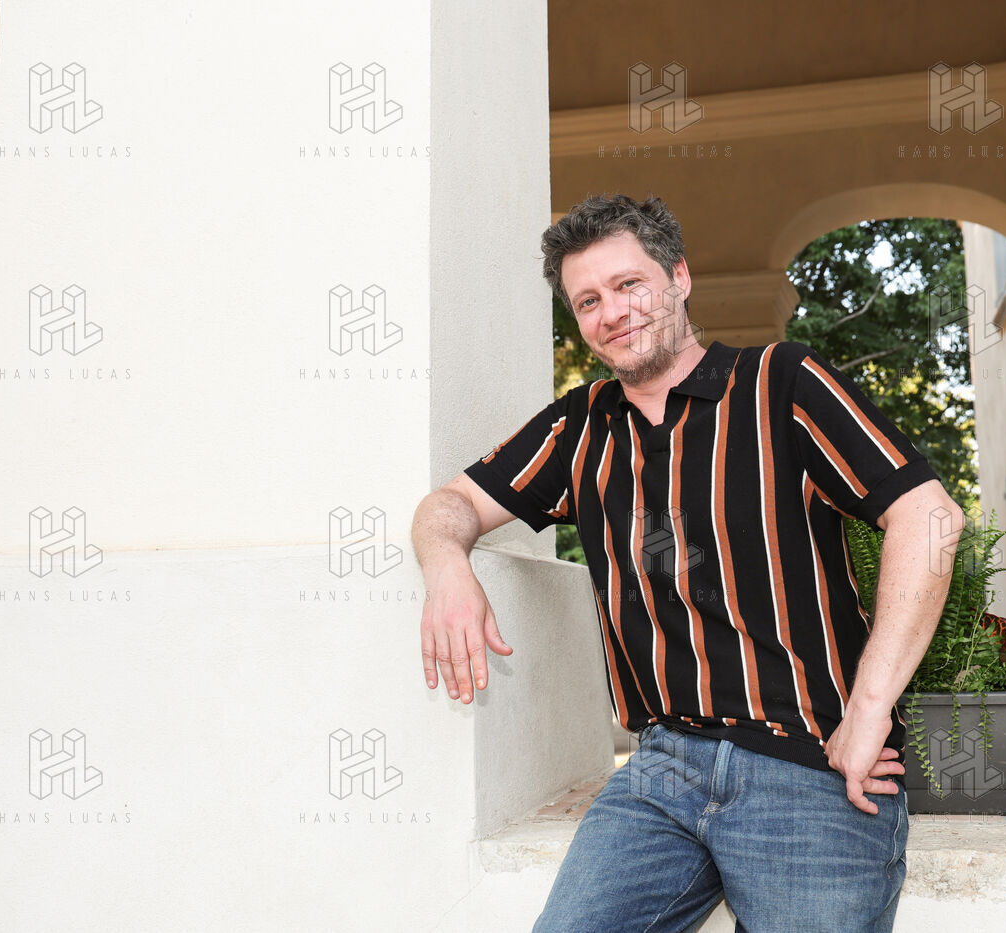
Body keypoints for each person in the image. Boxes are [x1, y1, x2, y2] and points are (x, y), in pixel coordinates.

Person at [410, 194, 963, 932]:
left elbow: (929, 515)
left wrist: (868, 712)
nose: (612, 311)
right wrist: (447, 566)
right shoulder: (580, 427)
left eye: (629, 284)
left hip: (809, 766)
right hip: (660, 771)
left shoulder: (782, 382)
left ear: (678, 277)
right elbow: (449, 504)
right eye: (588, 300)